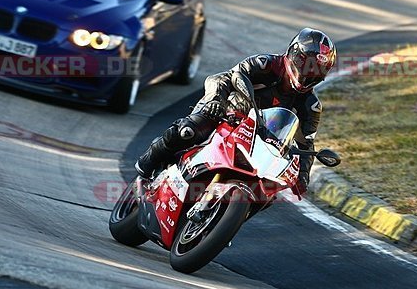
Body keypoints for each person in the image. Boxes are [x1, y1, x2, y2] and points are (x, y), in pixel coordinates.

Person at [135, 28, 337, 195]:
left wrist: (303, 176)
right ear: (293, 54)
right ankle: (149, 161)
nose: (309, 71)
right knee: (189, 131)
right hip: (228, 110)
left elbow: (307, 141)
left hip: (261, 138)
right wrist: (218, 102)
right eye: (305, 62)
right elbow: (232, 76)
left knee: (269, 191)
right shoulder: (266, 64)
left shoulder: (311, 105)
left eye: (317, 68)